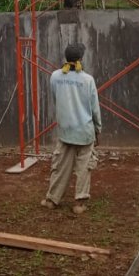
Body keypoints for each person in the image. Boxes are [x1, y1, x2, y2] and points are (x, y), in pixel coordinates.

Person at [42, 42, 102, 215]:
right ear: (81, 59)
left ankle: (52, 199)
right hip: (84, 132)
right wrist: (98, 129)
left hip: (65, 131)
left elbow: (56, 100)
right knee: (84, 167)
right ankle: (79, 203)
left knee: (60, 166)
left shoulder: (55, 76)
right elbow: (94, 108)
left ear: (66, 58)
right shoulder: (87, 80)